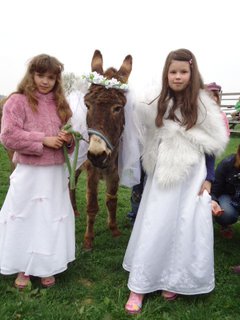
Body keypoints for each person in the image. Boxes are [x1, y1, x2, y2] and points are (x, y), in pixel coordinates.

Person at [122, 48, 229, 314]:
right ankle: (141, 284)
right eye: (173, 72)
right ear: (166, 73)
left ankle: (173, 277)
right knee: (157, 221)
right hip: (164, 173)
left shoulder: (202, 105)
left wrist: (210, 180)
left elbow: (211, 146)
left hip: (193, 174)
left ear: (192, 74)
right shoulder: (156, 101)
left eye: (183, 72)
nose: (177, 77)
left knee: (185, 226)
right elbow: (142, 128)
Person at [0, 54, 75, 289]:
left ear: (57, 80)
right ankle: (23, 266)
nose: (45, 81)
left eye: (51, 77)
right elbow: (8, 136)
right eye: (41, 75)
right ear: (32, 75)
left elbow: (70, 142)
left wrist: (68, 139)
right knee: (26, 216)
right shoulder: (17, 101)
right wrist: (43, 140)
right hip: (29, 172)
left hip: (54, 172)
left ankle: (46, 265)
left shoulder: (61, 104)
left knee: (49, 219)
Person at [211, 145, 240, 240]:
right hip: (229, 198)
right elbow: (215, 189)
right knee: (227, 215)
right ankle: (225, 225)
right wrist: (214, 202)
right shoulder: (226, 164)